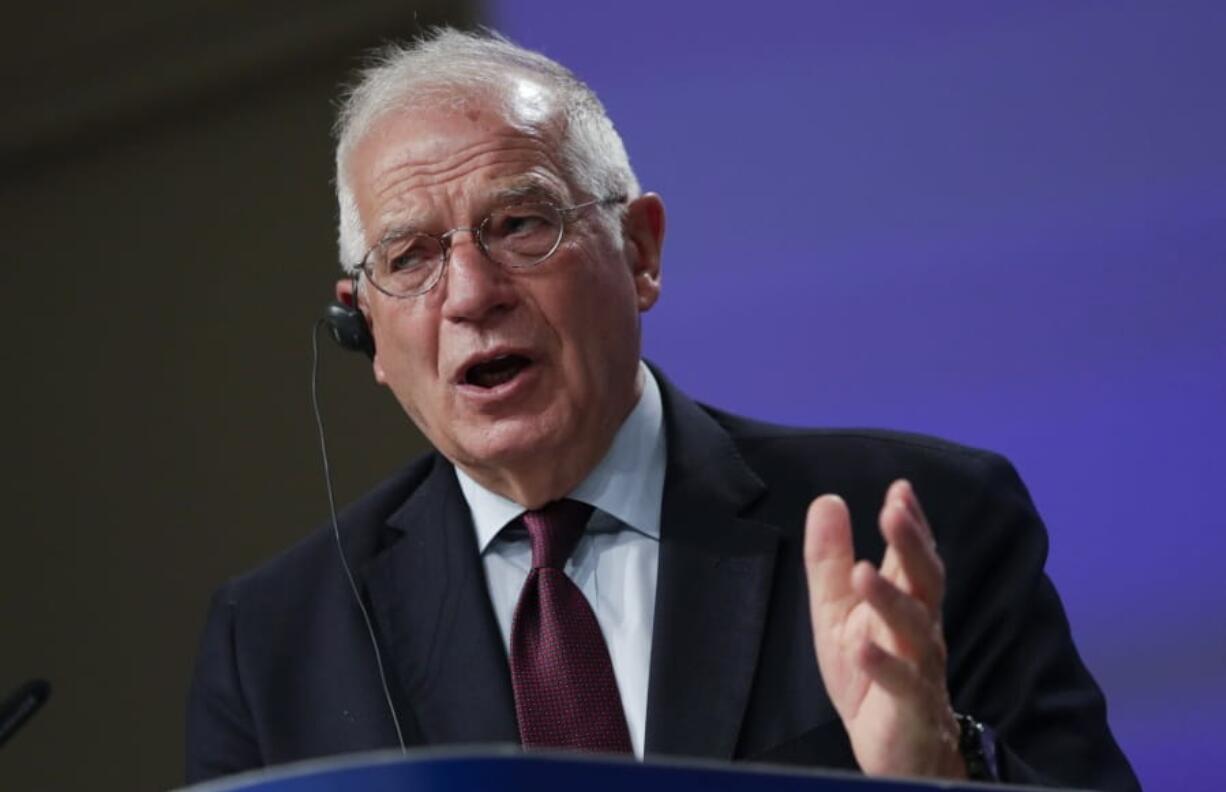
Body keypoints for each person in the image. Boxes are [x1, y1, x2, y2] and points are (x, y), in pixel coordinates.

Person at [186, 28, 1138, 790]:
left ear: (640, 252)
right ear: (366, 333)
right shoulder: (275, 644)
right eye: (410, 258)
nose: (470, 293)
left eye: (520, 223)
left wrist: (933, 771)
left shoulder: (920, 524)